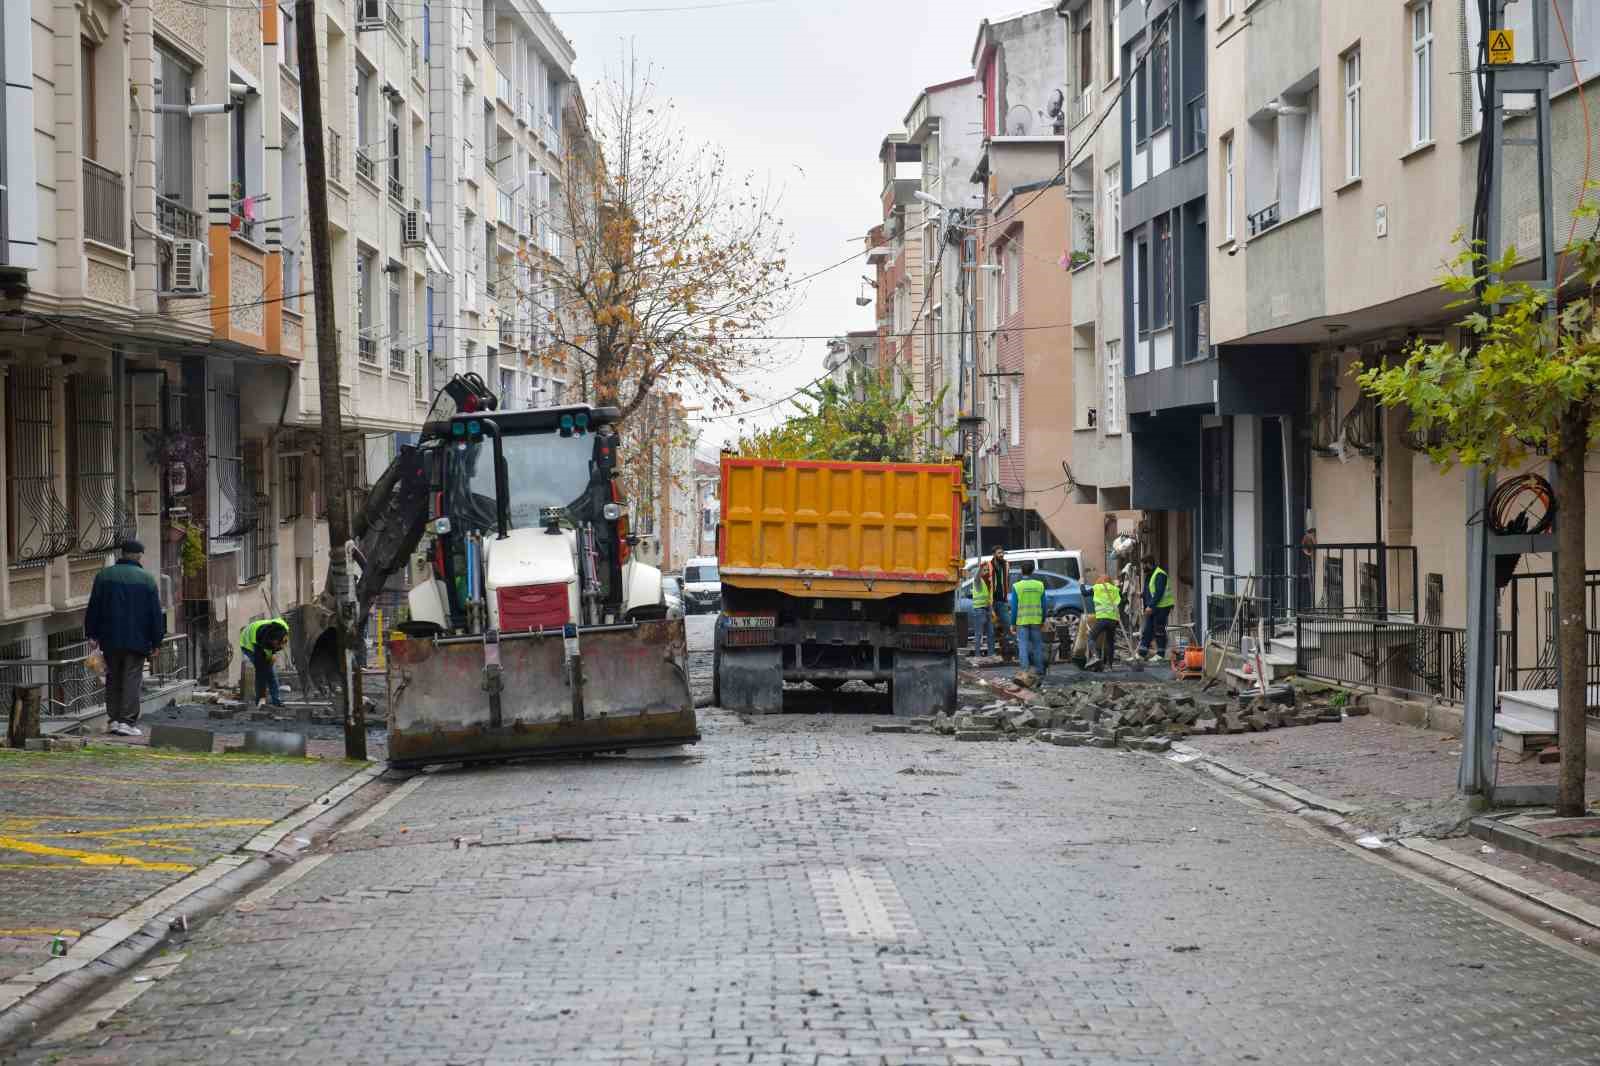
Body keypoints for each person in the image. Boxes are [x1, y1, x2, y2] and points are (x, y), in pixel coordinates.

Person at [84, 540, 165, 737]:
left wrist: (92, 633)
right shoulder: (147, 579)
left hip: (110, 639)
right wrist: (156, 641)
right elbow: (155, 614)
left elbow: (94, 606)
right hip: (137, 640)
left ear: (122, 554)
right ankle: (126, 721)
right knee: (131, 679)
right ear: (138, 556)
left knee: (113, 678)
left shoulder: (104, 576)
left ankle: (113, 719)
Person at [240, 617, 290, 708]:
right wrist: (262, 696)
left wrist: (274, 653)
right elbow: (260, 673)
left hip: (262, 637)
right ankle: (260, 701)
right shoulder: (259, 644)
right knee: (267, 672)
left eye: (281, 643)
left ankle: (276, 700)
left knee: (271, 672)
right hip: (247, 644)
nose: (282, 646)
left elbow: (282, 631)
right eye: (278, 645)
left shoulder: (282, 627)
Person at [1010, 560, 1047, 680]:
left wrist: (1013, 623)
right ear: (1033, 570)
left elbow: (1014, 607)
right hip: (1036, 620)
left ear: (1021, 571)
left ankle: (1025, 672)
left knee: (1023, 646)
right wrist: (1043, 619)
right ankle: (1040, 670)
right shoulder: (1039, 585)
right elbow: (1044, 605)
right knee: (1037, 646)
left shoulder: (1017, 586)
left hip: (1022, 621)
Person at [1138, 555, 1175, 663]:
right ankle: (1141, 653)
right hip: (1154, 607)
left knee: (1159, 630)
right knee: (1147, 630)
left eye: (1144, 565)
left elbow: (1159, 593)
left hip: (1162, 607)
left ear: (1149, 563)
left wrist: (1150, 606)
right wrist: (1142, 595)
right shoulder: (1150, 574)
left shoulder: (1160, 574)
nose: (1143, 567)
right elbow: (1149, 590)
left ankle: (1160, 654)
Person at [1087, 570, 1122, 671]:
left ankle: (1095, 656)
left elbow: (1084, 593)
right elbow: (1122, 600)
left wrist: (1081, 584)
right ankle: (1109, 666)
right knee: (1110, 642)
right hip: (1113, 620)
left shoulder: (1097, 587)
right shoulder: (1115, 589)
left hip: (1102, 619)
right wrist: (1118, 586)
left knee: (1091, 637)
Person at [989, 546, 1013, 663]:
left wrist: (1006, 598)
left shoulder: (1007, 564)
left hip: (1002, 601)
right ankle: (993, 653)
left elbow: (1007, 581)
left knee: (1008, 625)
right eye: (999, 553)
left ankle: (1012, 652)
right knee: (993, 628)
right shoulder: (988, 565)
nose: (1001, 555)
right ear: (994, 554)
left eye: (1002, 552)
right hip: (992, 602)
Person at [970, 558, 996, 657]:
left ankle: (991, 653)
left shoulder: (988, 582)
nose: (986, 572)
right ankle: (977, 655)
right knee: (979, 634)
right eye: (984, 570)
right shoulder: (978, 582)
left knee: (991, 633)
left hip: (987, 609)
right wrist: (980, 567)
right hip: (979, 610)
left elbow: (989, 598)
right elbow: (976, 577)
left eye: (987, 570)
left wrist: (991, 610)